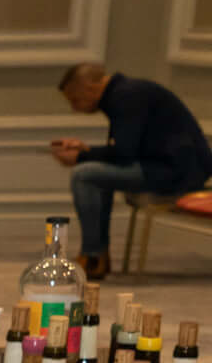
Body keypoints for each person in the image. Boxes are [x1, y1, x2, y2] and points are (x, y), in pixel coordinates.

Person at [50, 61, 212, 277]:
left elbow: (123, 154)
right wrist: (85, 150)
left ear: (89, 87)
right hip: (169, 167)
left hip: (177, 173)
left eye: (75, 100)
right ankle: (97, 256)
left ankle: (92, 256)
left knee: (84, 174)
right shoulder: (125, 93)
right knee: (95, 175)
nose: (75, 108)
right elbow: (125, 150)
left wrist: (80, 156)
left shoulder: (126, 96)